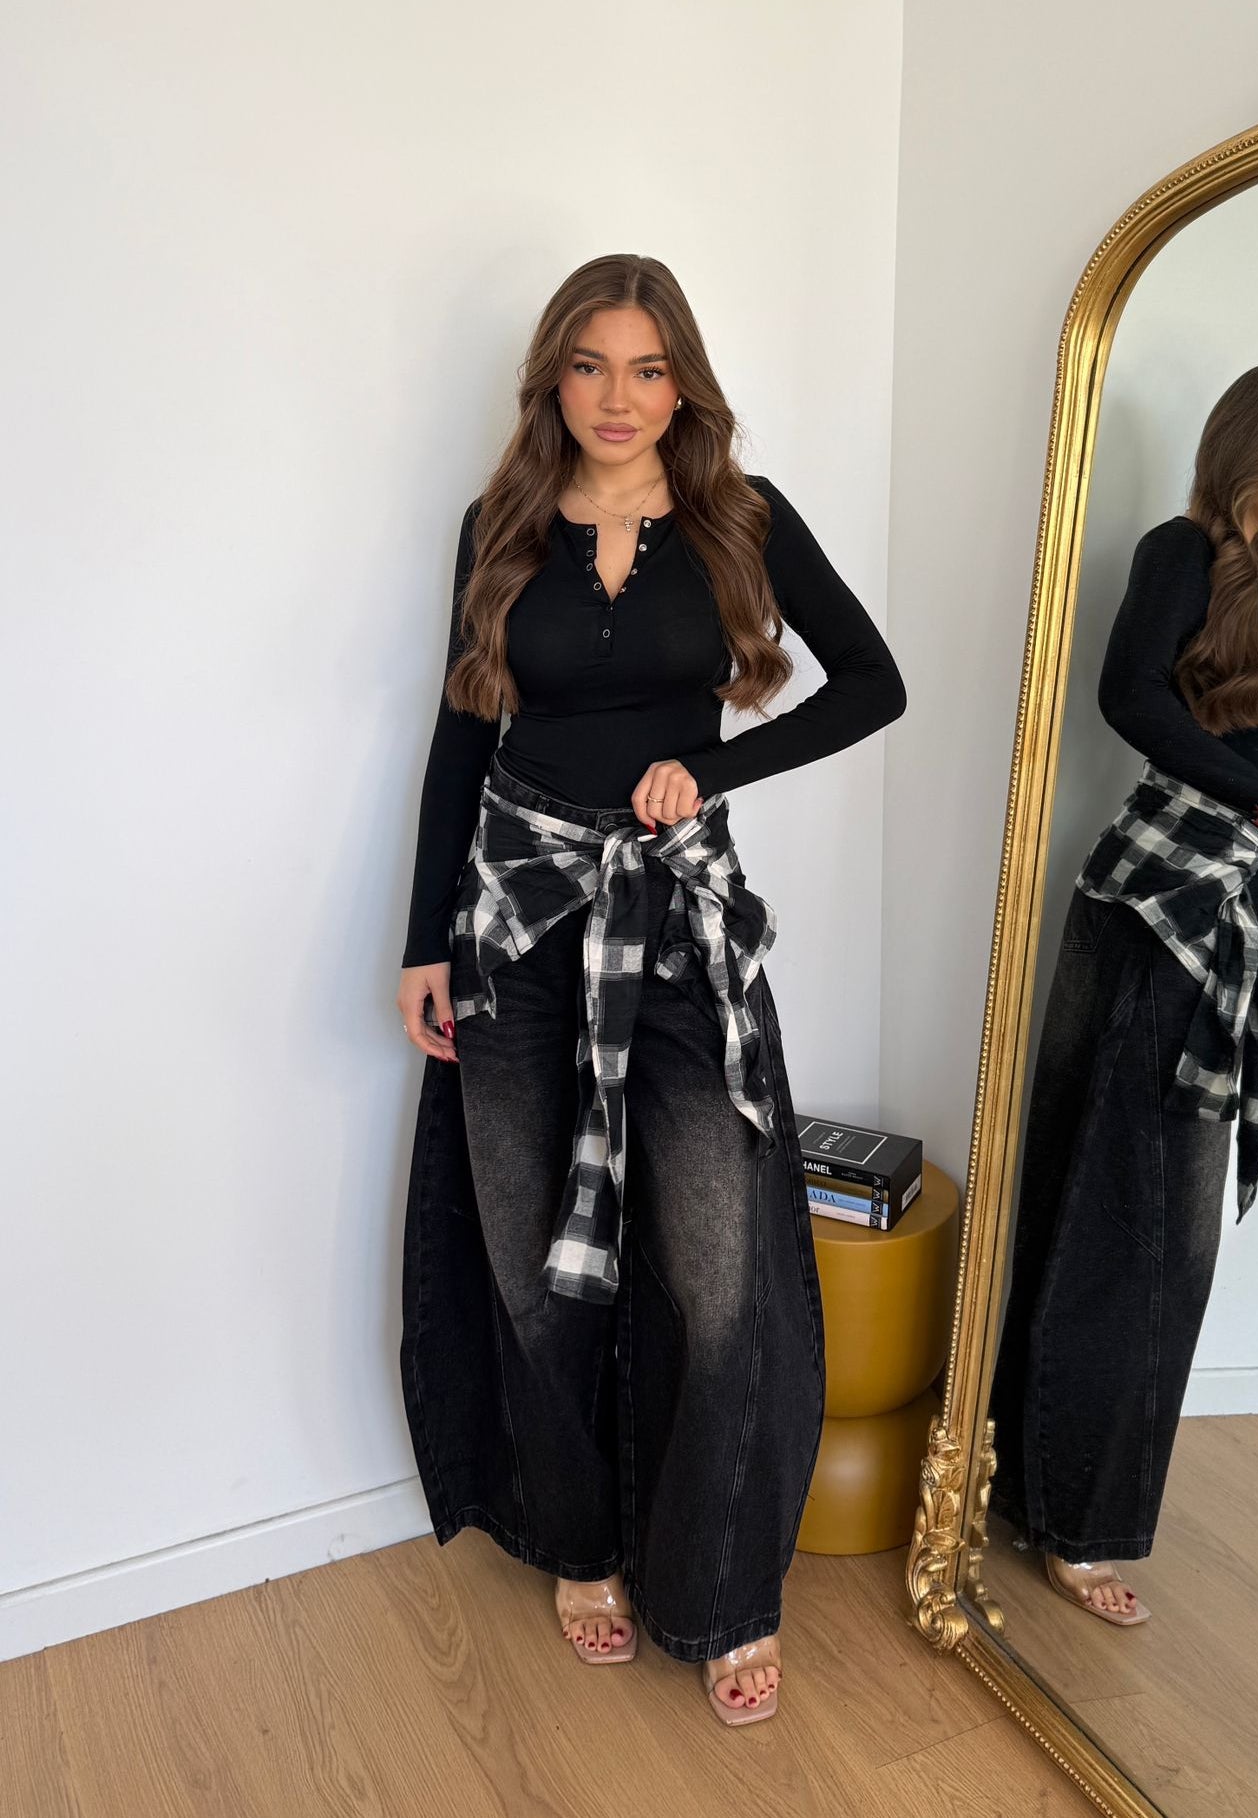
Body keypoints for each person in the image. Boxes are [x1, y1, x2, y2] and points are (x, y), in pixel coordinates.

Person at [394, 253, 906, 1724]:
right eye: (588, 365)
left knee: (718, 1270)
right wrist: (426, 940)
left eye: (647, 367)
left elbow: (872, 682)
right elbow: (459, 741)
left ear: (684, 384)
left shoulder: (742, 517)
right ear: (552, 379)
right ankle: (576, 1542)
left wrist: (713, 768)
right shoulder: (497, 525)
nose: (616, 398)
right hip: (513, 921)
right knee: (528, 1258)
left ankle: (722, 1589)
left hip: (675, 921)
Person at [989, 363, 1258, 1627]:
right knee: (1136, 1223)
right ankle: (1075, 1522)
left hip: (1209, 906)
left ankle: (1042, 1493)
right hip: (1159, 909)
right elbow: (1124, 693)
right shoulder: (1178, 550)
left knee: (1130, 1218)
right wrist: (1255, 793)